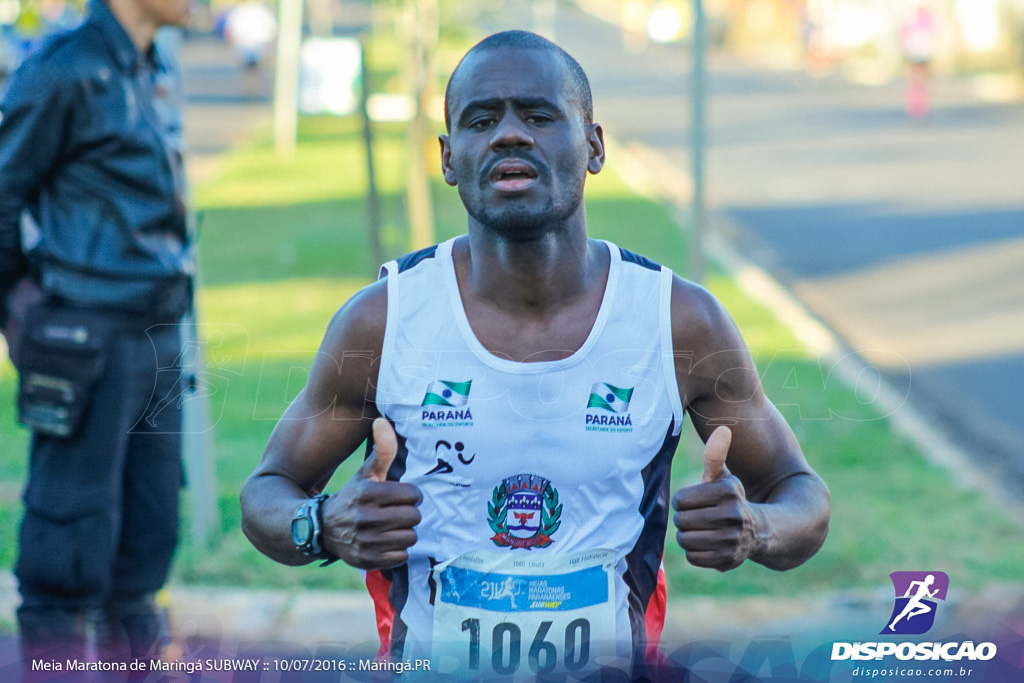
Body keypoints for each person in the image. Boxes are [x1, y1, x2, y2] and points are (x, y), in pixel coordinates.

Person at [240, 30, 830, 680]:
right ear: (447, 157)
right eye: (482, 120)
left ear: (595, 145)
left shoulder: (676, 320)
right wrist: (320, 524)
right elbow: (267, 492)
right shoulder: (382, 322)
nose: (510, 135)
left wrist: (755, 527)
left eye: (540, 115)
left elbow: (799, 494)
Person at [0, 0, 193, 667]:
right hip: (85, 342)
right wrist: (23, 308)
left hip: (158, 339)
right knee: (67, 548)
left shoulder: (150, 64)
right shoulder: (65, 67)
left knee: (145, 544)